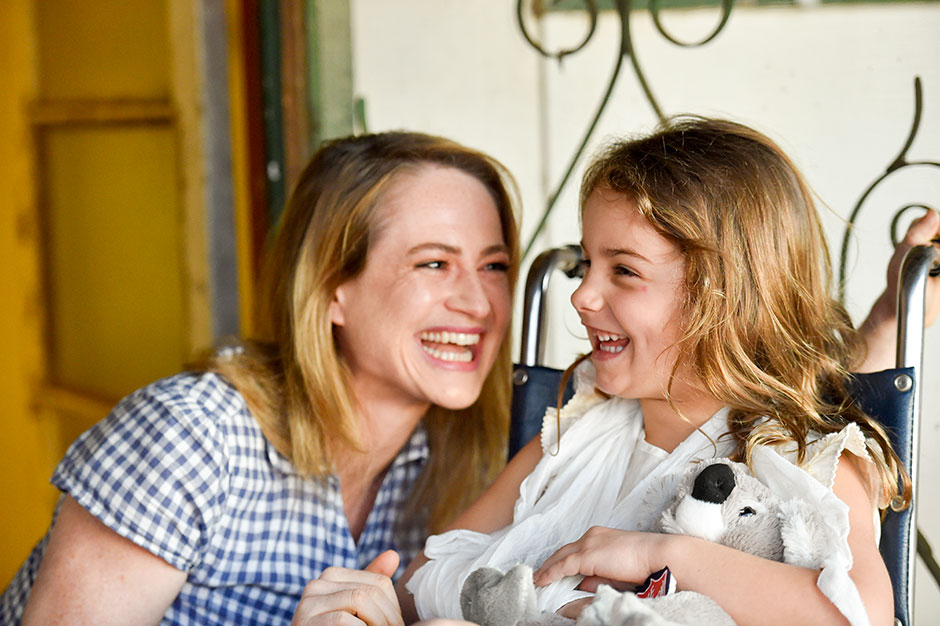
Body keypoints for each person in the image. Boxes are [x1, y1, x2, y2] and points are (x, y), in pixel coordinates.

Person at [402, 117, 940, 626]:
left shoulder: (797, 454)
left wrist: (662, 554)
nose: (583, 295)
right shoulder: (576, 435)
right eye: (587, 265)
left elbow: (858, 615)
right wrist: (558, 609)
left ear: (722, 299)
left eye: (624, 271)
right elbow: (425, 577)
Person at [0, 131, 521, 625]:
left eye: (493, 267)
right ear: (330, 287)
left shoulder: (467, 459)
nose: (479, 304)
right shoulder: (189, 437)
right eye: (433, 264)